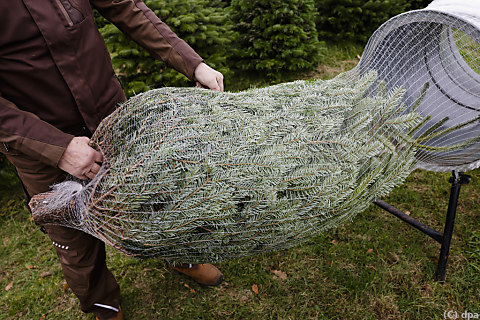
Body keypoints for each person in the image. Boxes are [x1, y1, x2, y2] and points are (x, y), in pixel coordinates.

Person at [0, 1, 224, 319]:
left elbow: (126, 7)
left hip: (112, 117)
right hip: (39, 148)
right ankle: (104, 304)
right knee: (74, 239)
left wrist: (193, 64)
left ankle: (181, 257)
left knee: (154, 196)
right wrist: (57, 148)